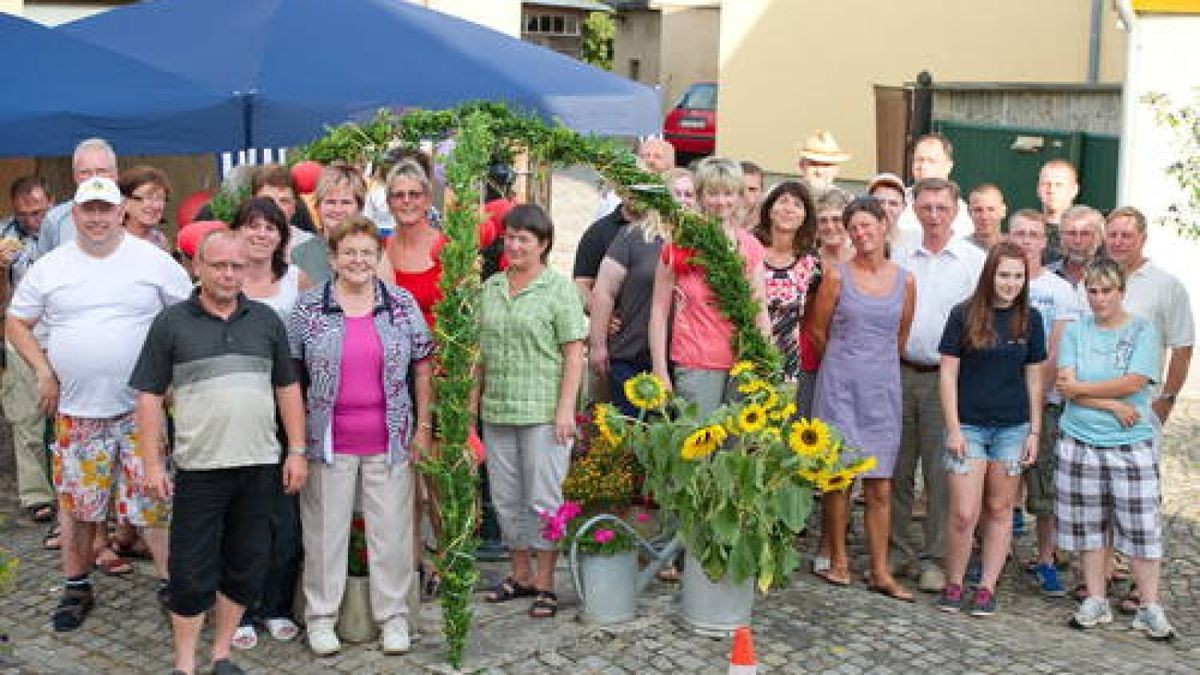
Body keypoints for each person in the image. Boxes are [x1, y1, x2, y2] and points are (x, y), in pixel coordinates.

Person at [6, 176, 192, 631]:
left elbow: (187, 315)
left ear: (119, 212)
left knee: (154, 498)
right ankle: (75, 585)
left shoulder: (153, 261)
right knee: (77, 504)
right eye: (87, 210)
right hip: (76, 411)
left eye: (104, 209)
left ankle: (171, 585)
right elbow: (15, 322)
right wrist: (44, 370)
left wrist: (171, 375)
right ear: (74, 215)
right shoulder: (51, 266)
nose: (96, 218)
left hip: (139, 410)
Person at [130, 229, 308, 675]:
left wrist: (297, 451)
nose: (229, 274)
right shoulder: (171, 324)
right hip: (200, 469)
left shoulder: (266, 320)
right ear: (197, 268)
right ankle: (184, 666)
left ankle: (221, 655)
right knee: (190, 573)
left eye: (237, 266)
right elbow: (149, 396)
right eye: (219, 265)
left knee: (247, 565)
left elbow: (287, 388)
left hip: (259, 466)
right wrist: (152, 463)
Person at [289, 215, 433, 655]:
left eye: (366, 253)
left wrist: (423, 428)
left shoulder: (401, 304)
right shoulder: (308, 309)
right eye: (348, 252)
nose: (357, 261)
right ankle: (321, 617)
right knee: (325, 534)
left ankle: (393, 618)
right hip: (328, 440)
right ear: (332, 257)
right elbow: (292, 376)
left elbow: (423, 365)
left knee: (389, 534)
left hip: (390, 438)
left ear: (378, 257)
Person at [1055, 259, 1175, 640]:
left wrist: (1084, 392)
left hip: (1130, 443)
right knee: (1091, 526)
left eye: (1106, 290)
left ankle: (1149, 606)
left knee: (1142, 526)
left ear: (1120, 291)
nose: (1099, 298)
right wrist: (1109, 403)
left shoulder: (1142, 330)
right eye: (1092, 290)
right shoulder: (1076, 332)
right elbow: (1064, 387)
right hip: (1080, 440)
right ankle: (1096, 598)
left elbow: (1134, 381)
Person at [480, 204, 586, 619]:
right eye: (509, 237)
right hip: (497, 410)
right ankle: (519, 573)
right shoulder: (490, 287)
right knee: (506, 498)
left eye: (524, 238)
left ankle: (546, 581)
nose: (515, 245)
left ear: (543, 244)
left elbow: (573, 353)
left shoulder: (558, 289)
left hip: (543, 412)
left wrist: (566, 410)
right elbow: (479, 358)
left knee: (543, 498)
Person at [808, 197, 916, 599]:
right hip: (840, 388)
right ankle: (838, 560)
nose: (860, 233)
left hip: (882, 392)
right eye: (853, 227)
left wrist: (874, 367)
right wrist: (845, 363)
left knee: (880, 485)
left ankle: (880, 570)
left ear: (884, 227)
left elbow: (899, 337)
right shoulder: (837, 276)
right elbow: (818, 332)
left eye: (867, 225)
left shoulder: (905, 280)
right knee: (839, 479)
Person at [936, 242, 1046, 617]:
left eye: (1018, 276)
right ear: (989, 275)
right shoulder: (963, 315)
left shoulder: (1030, 320)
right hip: (967, 427)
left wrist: (1034, 432)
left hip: (1012, 429)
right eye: (1004, 275)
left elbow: (1035, 381)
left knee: (999, 508)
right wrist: (952, 428)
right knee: (964, 512)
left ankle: (986, 587)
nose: (1010, 283)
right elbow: (948, 374)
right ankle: (954, 581)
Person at [890, 177, 986, 593]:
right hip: (896, 370)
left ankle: (933, 557)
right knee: (895, 469)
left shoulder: (972, 260)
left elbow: (982, 322)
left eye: (941, 209)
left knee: (939, 473)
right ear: (915, 208)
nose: (933, 216)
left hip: (944, 380)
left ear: (955, 209)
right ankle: (896, 551)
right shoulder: (898, 253)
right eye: (926, 208)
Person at [225, 197, 312, 648]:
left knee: (284, 516)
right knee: (239, 514)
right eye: (252, 226)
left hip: (285, 409)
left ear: (283, 236)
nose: (261, 234)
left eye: (271, 227)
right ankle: (240, 607)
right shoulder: (225, 279)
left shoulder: (296, 280)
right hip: (235, 411)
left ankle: (277, 603)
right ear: (236, 230)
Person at [648, 157, 770, 415]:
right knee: (696, 446)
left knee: (734, 450)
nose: (721, 201)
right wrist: (659, 370)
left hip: (742, 364)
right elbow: (659, 311)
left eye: (729, 193)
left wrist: (765, 361)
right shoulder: (681, 244)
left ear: (739, 197)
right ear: (701, 196)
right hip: (696, 362)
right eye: (713, 193)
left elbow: (760, 310)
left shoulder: (750, 247)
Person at [1008, 210, 1081, 597]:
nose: (1025, 241)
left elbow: (1057, 348)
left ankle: (1047, 559)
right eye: (1019, 233)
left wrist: (1035, 397)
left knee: (1044, 491)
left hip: (1045, 402)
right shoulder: (998, 281)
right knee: (1000, 487)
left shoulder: (1059, 290)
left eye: (1033, 234)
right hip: (1001, 400)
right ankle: (993, 552)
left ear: (1043, 241)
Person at [1103, 206, 1193, 427]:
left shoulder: (1167, 286)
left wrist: (1166, 400)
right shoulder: (1093, 280)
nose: (1118, 242)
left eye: (1126, 236)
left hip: (1141, 407)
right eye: (1112, 235)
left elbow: (1183, 348)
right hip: (1092, 405)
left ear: (1143, 239)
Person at [0, 176, 54, 523]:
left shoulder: (67, 228)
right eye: (25, 214)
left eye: (39, 212)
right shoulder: (4, 236)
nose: (33, 220)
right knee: (26, 416)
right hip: (21, 333)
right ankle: (36, 494)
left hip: (63, 331)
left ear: (51, 202)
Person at [589, 208, 669, 417]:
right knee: (630, 434)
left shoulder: (702, 241)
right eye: (676, 193)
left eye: (689, 195)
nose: (683, 200)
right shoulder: (634, 236)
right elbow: (604, 290)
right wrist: (597, 345)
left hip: (680, 360)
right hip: (631, 353)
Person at [752, 180, 819, 387]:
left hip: (787, 362)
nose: (789, 209)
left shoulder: (812, 264)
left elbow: (810, 316)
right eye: (783, 201)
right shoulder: (749, 250)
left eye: (798, 205)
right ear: (769, 209)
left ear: (805, 218)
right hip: (746, 357)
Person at [37, 138, 118, 257]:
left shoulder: (133, 213)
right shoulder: (55, 220)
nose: (94, 178)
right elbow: (41, 267)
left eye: (101, 171)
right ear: (75, 176)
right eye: (85, 172)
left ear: (115, 174)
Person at [290, 164, 366, 285]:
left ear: (359, 207)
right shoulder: (299, 255)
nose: (337, 209)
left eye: (346, 202)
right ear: (318, 207)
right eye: (330, 202)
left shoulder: (374, 252)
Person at [894, 134, 973, 247]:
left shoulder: (962, 214)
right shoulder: (896, 201)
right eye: (919, 160)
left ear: (948, 166)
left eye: (931, 161)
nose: (923, 166)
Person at [1049, 205, 1105, 289]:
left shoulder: (1115, 277)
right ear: (1061, 238)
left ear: (1099, 239)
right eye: (1071, 233)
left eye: (1085, 233)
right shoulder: (1045, 276)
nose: (1077, 241)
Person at [118, 166, 172, 251]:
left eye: (160, 198)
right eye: (148, 198)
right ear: (125, 202)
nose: (156, 206)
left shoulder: (160, 241)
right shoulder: (111, 241)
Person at [1037, 159, 1080, 263]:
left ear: (1074, 190)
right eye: (1046, 184)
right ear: (1038, 189)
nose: (1051, 190)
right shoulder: (1027, 230)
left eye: (1059, 185)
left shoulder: (1086, 233)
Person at [814, 188, 853, 266]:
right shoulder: (805, 263)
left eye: (836, 219)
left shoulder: (865, 260)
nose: (830, 227)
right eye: (823, 220)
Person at [965, 183, 1007, 252]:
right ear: (969, 212)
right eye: (978, 210)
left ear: (1003, 212)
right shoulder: (958, 250)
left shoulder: (1016, 249)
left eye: (991, 209)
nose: (984, 216)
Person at [866, 172, 906, 239]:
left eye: (893, 204)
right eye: (880, 202)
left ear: (903, 207)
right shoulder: (855, 241)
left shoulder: (915, 242)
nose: (885, 208)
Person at [738, 160, 765, 228]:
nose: (745, 195)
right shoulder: (712, 225)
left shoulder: (769, 229)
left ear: (761, 193)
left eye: (752, 189)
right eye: (739, 188)